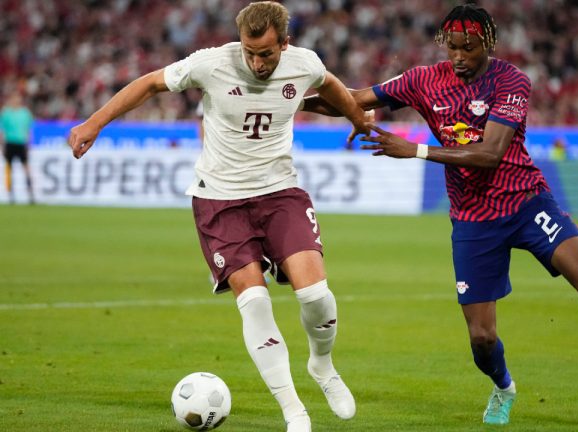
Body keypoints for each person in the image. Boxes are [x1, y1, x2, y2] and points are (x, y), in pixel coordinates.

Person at [304, 4, 578, 429]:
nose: (459, 56)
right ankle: (503, 388)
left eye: (469, 48)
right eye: (453, 48)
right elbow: (354, 99)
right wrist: (289, 99)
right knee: (482, 339)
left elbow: (489, 153)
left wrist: (417, 150)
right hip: (473, 219)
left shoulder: (511, 81)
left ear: (488, 44)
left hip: (525, 201)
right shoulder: (424, 80)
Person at [68, 2, 368, 431]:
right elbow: (152, 83)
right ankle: (293, 411)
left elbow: (332, 84)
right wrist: (94, 123)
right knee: (254, 302)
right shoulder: (211, 63)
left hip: (280, 191)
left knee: (315, 294)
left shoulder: (304, 64)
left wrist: (358, 117)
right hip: (220, 201)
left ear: (285, 43)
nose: (256, 62)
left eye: (266, 53)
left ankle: (322, 365)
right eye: (249, 51)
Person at [1, 92, 35, 204]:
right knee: (9, 170)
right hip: (10, 143)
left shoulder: (25, 113)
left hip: (21, 143)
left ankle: (31, 195)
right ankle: (11, 195)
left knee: (26, 169)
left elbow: (29, 130)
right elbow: (2, 131)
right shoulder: (6, 113)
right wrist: (2, 145)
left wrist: (29, 144)